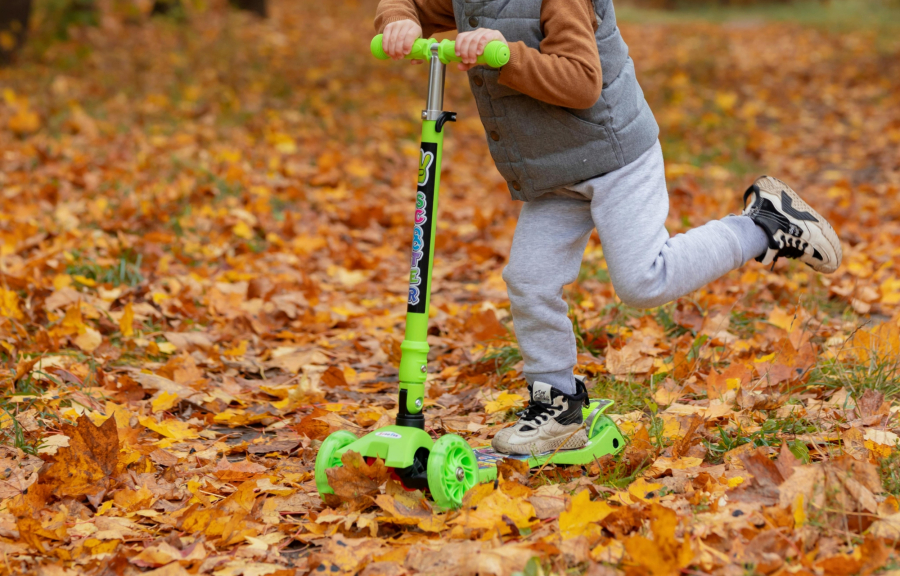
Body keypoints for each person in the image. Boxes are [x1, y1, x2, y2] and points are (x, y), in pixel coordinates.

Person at [374, 0, 842, 455]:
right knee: (529, 279)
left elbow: (582, 82)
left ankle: (764, 223)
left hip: (615, 154)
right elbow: (411, 4)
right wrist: (398, 20)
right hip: (554, 171)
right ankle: (557, 405)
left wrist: (507, 53)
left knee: (643, 279)